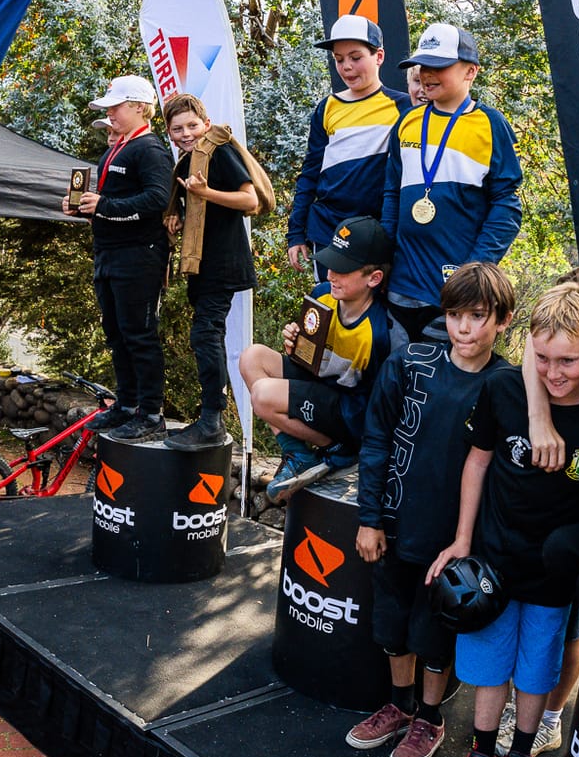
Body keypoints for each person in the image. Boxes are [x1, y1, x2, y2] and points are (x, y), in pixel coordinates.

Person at [427, 283, 579, 757]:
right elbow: (477, 461)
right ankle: (479, 755)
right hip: (494, 561)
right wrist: (463, 539)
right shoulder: (504, 389)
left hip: (555, 575)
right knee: (488, 667)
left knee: (537, 670)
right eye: (542, 358)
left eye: (568, 361)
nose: (553, 373)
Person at [348, 262, 517, 757]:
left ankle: (429, 717)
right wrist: (370, 518)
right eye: (455, 314)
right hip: (396, 522)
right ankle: (399, 705)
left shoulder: (507, 385)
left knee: (436, 631)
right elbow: (376, 441)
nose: (464, 327)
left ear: (503, 320)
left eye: (478, 316)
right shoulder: (408, 363)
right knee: (392, 623)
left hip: (457, 538)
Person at [380, 23, 521, 342]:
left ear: (471, 71)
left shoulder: (490, 124)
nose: (427, 74)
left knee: (444, 373)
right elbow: (392, 193)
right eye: (422, 66)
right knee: (398, 370)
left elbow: (507, 208)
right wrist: (385, 256)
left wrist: (472, 272)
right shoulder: (407, 121)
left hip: (454, 298)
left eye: (439, 66)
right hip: (401, 289)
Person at [240, 217, 393, 503]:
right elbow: (308, 355)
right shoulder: (322, 295)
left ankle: (339, 450)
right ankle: (297, 454)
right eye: (330, 264)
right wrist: (294, 343)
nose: (331, 274)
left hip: (348, 410)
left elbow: (373, 402)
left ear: (373, 278)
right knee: (252, 357)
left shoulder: (378, 332)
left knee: (263, 396)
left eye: (343, 269)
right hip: (317, 385)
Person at [68, 75, 174, 443]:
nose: (110, 113)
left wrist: (105, 206)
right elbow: (112, 205)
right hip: (108, 254)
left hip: (139, 256)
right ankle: (126, 405)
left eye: (116, 106)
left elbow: (157, 199)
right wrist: (84, 208)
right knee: (116, 334)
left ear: (141, 107)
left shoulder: (150, 150)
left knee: (139, 336)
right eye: (109, 107)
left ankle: (151, 413)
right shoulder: (117, 148)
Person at [160, 92, 263, 450]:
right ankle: (208, 418)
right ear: (169, 132)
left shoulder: (218, 151)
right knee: (205, 335)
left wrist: (206, 193)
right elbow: (195, 205)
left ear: (205, 124)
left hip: (224, 261)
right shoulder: (187, 161)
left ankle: (212, 421)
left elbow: (250, 200)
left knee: (206, 334)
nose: (186, 133)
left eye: (192, 125)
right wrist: (178, 215)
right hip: (202, 264)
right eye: (178, 129)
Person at [288, 16, 414, 280]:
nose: (346, 67)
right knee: (328, 300)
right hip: (328, 229)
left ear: (379, 56)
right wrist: (296, 233)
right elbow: (309, 173)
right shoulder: (327, 108)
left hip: (375, 231)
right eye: (339, 59)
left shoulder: (403, 107)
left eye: (356, 57)